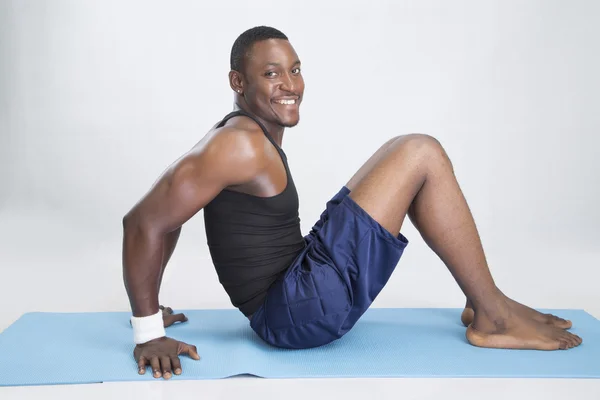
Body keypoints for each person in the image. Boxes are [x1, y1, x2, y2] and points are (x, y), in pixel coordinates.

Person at [121, 26, 582, 380]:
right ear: (237, 81)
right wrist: (148, 331)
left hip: (298, 285)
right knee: (421, 152)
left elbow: (167, 220)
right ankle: (492, 315)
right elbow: (144, 223)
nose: (289, 85)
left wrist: (152, 305)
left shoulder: (239, 135)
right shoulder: (237, 145)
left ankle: (484, 300)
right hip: (295, 314)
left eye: (295, 70)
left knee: (406, 151)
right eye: (271, 73)